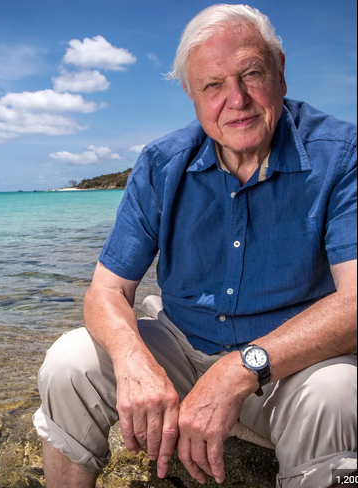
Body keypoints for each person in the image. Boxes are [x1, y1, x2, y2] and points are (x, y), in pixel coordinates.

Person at [33, 4, 357, 488]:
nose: (237, 99)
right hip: (182, 347)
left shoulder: (342, 155)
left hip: (290, 368)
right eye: (213, 85)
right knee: (68, 363)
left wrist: (238, 370)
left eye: (251, 73)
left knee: (339, 391)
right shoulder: (162, 164)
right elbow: (105, 293)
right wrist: (135, 362)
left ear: (281, 72)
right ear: (190, 93)